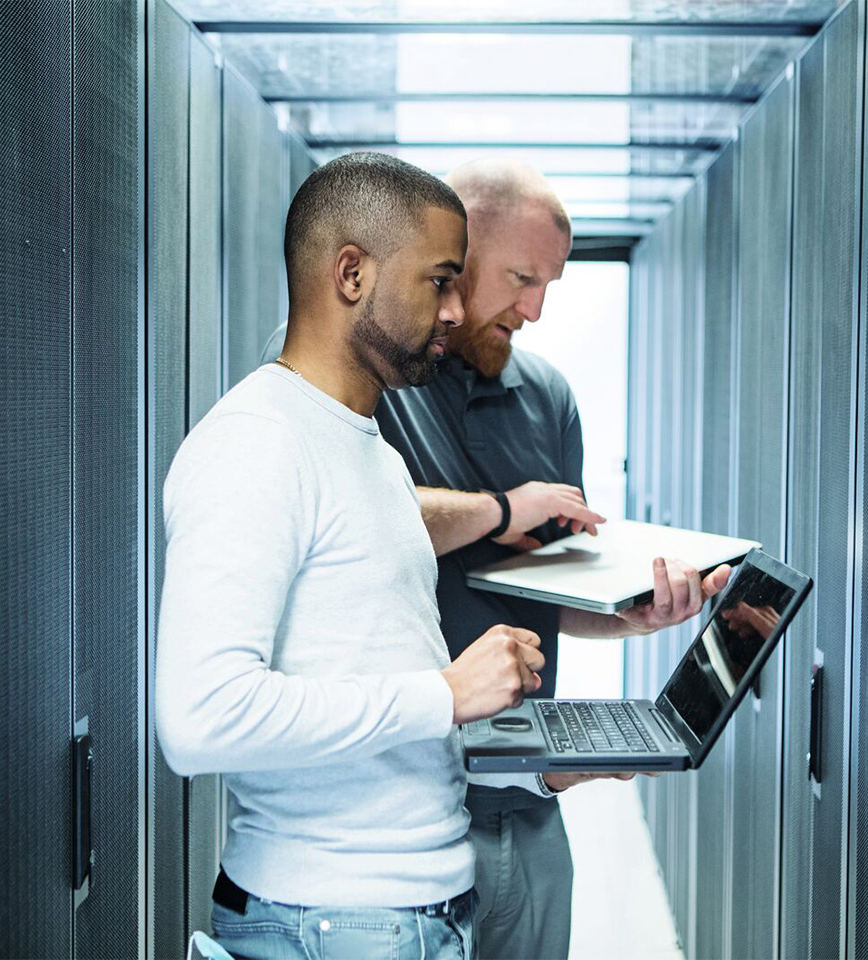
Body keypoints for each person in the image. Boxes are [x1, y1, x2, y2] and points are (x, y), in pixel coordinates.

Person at [260, 158, 731, 960]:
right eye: (521, 278)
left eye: (550, 284)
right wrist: (502, 510)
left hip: (534, 796)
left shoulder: (548, 397)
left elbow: (558, 595)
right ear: (454, 248)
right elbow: (332, 519)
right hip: (398, 811)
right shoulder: (357, 363)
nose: (536, 309)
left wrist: (635, 614)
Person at [155, 152, 548, 960]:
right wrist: (444, 692)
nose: (456, 308)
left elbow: (370, 691)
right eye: (440, 279)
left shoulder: (371, 451)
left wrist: (534, 766)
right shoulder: (257, 443)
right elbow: (199, 720)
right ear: (351, 273)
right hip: (330, 922)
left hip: (400, 914)